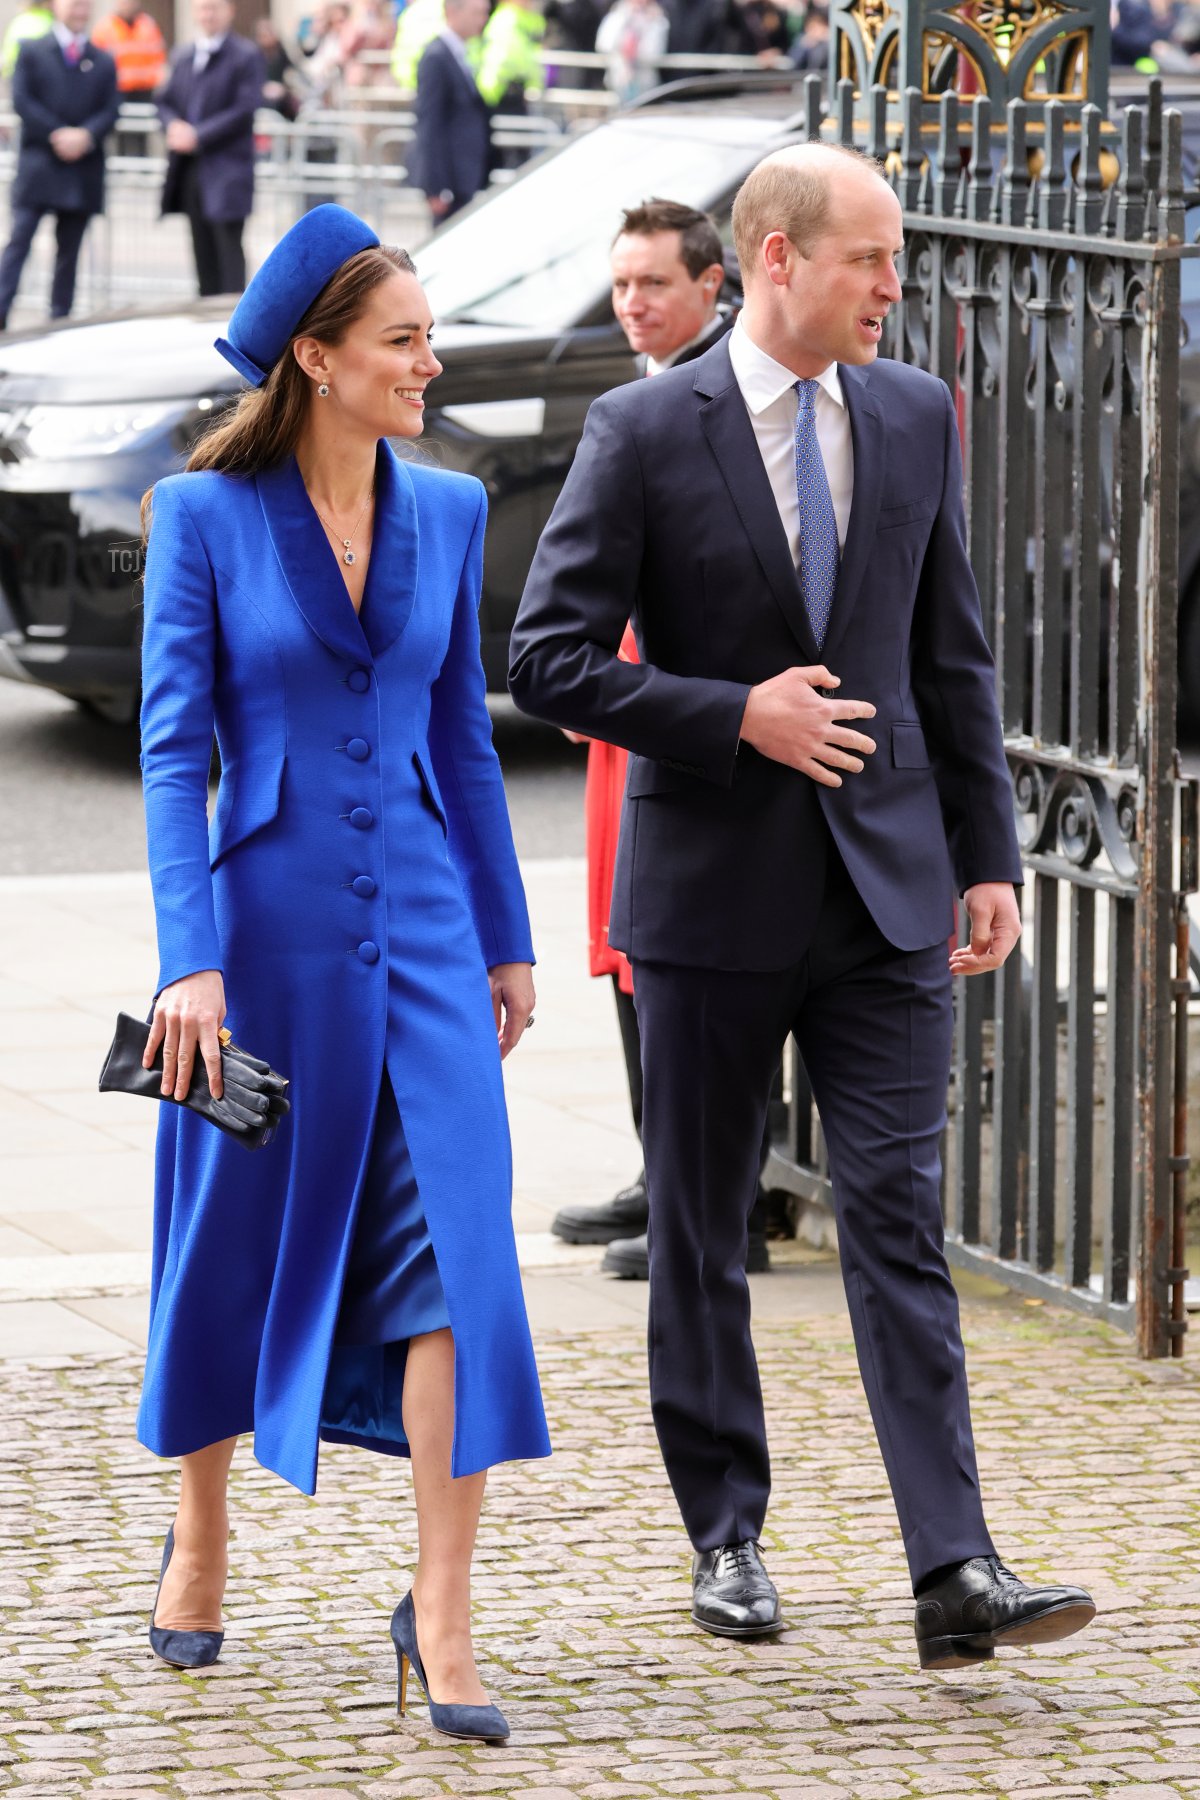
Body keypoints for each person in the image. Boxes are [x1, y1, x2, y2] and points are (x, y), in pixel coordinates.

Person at [510, 144, 1098, 1669]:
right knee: (702, 1229)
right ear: (778, 261)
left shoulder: (914, 414)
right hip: (707, 902)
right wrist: (734, 715)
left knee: (899, 1221)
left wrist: (987, 856)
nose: (898, 286)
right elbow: (551, 659)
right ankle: (727, 1534)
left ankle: (953, 1568)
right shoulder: (644, 428)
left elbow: (950, 653)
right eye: (872, 258)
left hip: (892, 893)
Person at [137, 205, 548, 1741]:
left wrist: (505, 934)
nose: (429, 365)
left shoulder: (445, 512)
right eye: (403, 342)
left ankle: (440, 1618)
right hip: (258, 949)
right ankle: (201, 1532)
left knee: (462, 1264)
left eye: (428, 338)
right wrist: (191, 965)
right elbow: (176, 756)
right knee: (225, 1237)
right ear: (316, 357)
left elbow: (465, 743)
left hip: (431, 940)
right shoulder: (201, 516)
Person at [550, 198, 775, 1283]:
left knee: (689, 960)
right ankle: (665, 1173)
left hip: (698, 717)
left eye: (652, 284)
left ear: (711, 287)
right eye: (621, 283)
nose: (631, 303)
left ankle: (722, 1205)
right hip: (631, 712)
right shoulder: (638, 396)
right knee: (626, 947)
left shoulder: (725, 396)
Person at [0, 0, 118, 332]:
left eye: (85, 4)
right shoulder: (31, 50)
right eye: (73, 3)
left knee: (69, 254)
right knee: (18, 243)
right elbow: (22, 99)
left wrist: (84, 136)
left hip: (80, 171)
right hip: (39, 166)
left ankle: (58, 322)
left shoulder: (103, 59)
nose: (79, 10)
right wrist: (57, 134)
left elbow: (111, 108)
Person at [157, 0, 266, 297]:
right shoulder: (184, 54)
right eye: (203, 8)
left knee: (228, 253)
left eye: (214, 7)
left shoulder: (245, 55)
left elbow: (245, 107)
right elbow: (165, 101)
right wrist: (173, 127)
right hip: (191, 170)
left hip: (226, 170)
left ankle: (232, 326)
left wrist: (198, 135)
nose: (208, 14)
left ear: (229, 11)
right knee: (201, 250)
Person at [408, 0, 490, 224]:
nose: (482, 20)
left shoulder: (459, 52)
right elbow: (429, 123)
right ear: (452, 12)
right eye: (477, 13)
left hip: (463, 177)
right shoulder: (437, 56)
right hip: (450, 181)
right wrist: (436, 186)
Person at [91, 0, 166, 124]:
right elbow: (97, 63)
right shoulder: (105, 27)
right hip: (116, 90)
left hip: (144, 91)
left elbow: (158, 58)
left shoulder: (148, 25)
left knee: (141, 130)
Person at [595, 0, 669, 102]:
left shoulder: (657, 19)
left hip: (644, 81)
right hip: (618, 79)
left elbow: (653, 53)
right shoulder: (617, 15)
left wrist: (650, 21)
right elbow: (604, 44)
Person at [1, 0, 53, 83]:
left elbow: (7, 54)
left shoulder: (18, 23)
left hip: (17, 75)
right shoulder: (52, 22)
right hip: (47, 76)